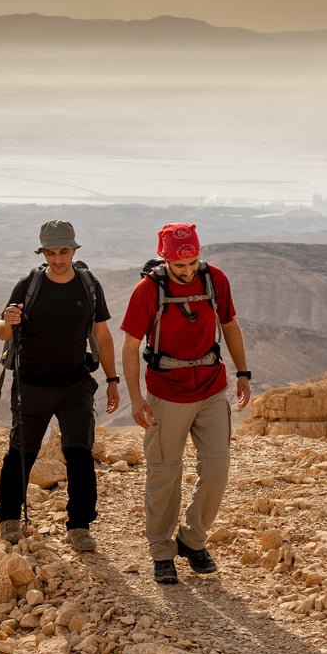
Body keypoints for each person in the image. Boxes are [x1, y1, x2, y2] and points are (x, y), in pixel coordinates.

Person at [120, 222, 251, 583]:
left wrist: (243, 372)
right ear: (165, 260)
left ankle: (192, 540)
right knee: (165, 473)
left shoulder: (215, 280)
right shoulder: (148, 290)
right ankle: (162, 551)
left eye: (193, 262)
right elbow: (130, 347)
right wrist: (136, 398)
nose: (188, 270)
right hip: (167, 393)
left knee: (217, 471)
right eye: (180, 265)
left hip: (211, 388)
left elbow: (231, 325)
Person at [0, 219, 120, 551]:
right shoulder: (29, 284)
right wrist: (6, 322)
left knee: (79, 454)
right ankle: (8, 517)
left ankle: (79, 526)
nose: (58, 259)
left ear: (74, 250)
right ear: (43, 253)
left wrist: (112, 380)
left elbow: (103, 337)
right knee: (22, 451)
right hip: (31, 384)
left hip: (75, 383)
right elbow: (2, 331)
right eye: (51, 252)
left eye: (63, 251)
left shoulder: (89, 285)